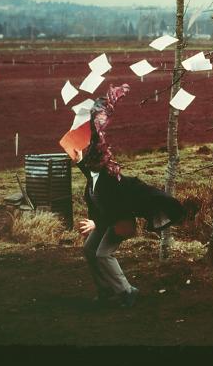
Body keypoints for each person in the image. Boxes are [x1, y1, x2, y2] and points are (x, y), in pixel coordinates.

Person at [71, 85, 187, 307]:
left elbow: (116, 210)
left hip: (121, 222)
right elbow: (93, 157)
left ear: (100, 165)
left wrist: (96, 223)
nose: (89, 164)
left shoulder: (108, 183)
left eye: (90, 161)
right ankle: (106, 291)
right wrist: (79, 161)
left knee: (103, 254)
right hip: (108, 219)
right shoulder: (96, 172)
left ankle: (126, 291)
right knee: (89, 250)